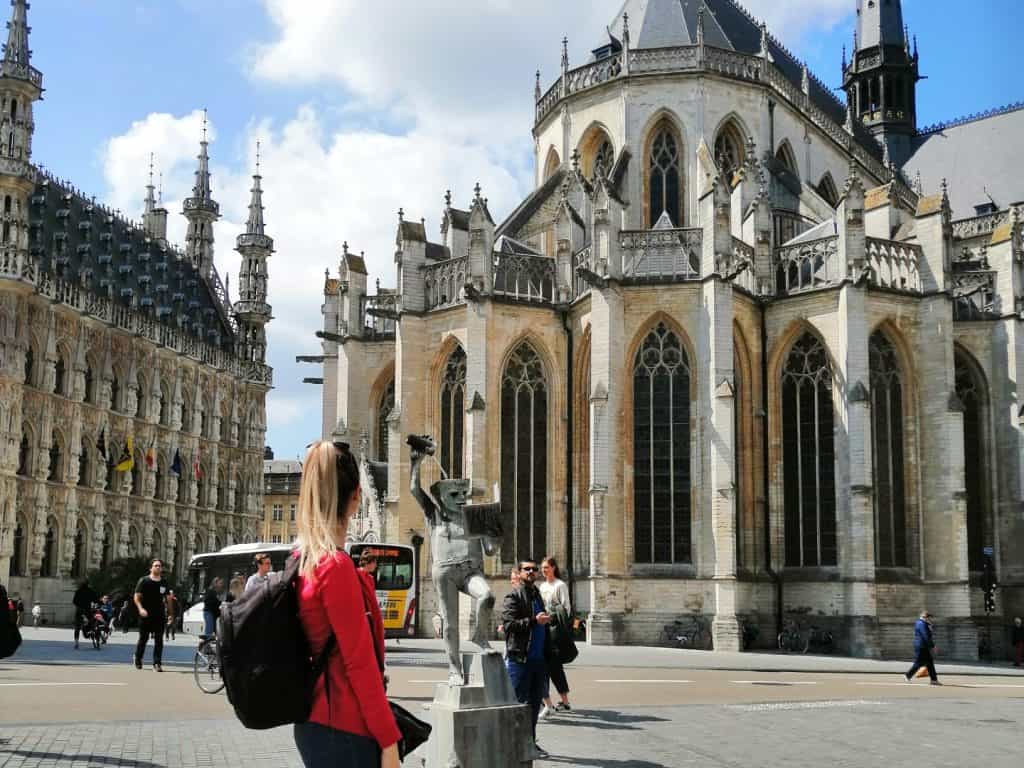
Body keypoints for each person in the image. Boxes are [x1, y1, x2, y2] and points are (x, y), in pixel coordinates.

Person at [292, 440, 400, 768]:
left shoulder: (302, 560)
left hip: (315, 722)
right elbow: (360, 664)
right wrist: (389, 740)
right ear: (356, 498)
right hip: (344, 728)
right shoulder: (335, 567)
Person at [502, 557, 551, 758]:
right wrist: (533, 621)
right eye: (527, 569)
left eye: (534, 569)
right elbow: (509, 625)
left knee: (533, 707)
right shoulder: (513, 596)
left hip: (538, 660)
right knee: (518, 705)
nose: (531, 572)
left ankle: (529, 743)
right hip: (520, 660)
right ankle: (512, 746)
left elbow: (540, 623)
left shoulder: (536, 594)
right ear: (519, 573)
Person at [538, 556, 572, 717]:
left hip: (554, 632)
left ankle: (555, 702)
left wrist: (553, 619)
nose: (544, 570)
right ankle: (562, 702)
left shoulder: (560, 585)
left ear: (553, 568)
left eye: (546, 567)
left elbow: (566, 609)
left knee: (553, 666)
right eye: (542, 568)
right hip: (543, 630)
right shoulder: (542, 586)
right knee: (551, 667)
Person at [133, 559, 168, 671]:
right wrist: (140, 609)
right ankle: (138, 659)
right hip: (145, 614)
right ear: (151, 568)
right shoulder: (144, 581)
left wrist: (170, 613)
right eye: (155, 565)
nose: (158, 567)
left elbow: (168, 598)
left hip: (159, 615)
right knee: (143, 638)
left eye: (159, 566)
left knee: (159, 640)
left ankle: (157, 663)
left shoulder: (164, 582)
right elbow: (136, 597)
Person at [905, 610, 941, 685]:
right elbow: (926, 636)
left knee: (929, 662)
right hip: (922, 646)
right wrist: (933, 646)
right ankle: (908, 675)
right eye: (928, 617)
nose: (929, 619)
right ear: (924, 617)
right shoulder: (922, 624)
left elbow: (927, 634)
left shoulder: (922, 623)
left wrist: (929, 626)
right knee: (919, 662)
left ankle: (933, 680)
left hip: (923, 645)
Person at [72, 580, 98, 649]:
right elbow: (95, 600)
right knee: (91, 624)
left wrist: (79, 605)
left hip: (79, 611)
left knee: (77, 627)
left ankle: (76, 642)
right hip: (87, 611)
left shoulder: (78, 591)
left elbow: (74, 601)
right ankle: (91, 634)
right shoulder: (90, 591)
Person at [497, 566, 521, 636]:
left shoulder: (513, 597)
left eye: (514, 579)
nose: (511, 582)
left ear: (520, 579)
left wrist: (506, 627)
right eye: (511, 579)